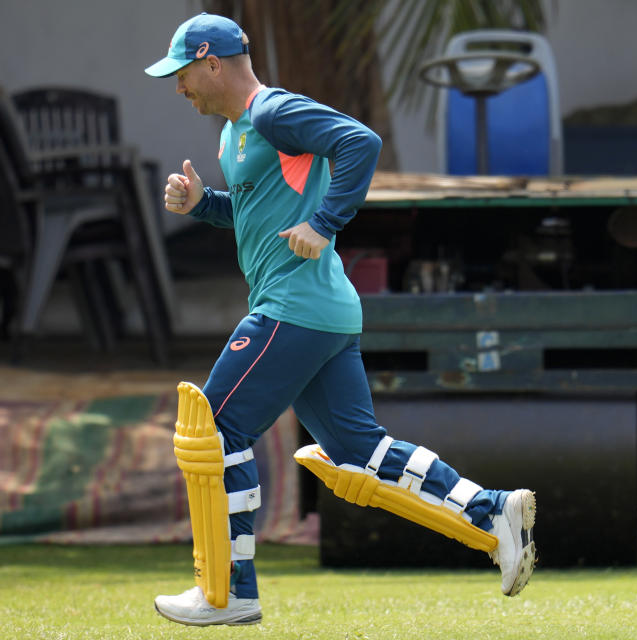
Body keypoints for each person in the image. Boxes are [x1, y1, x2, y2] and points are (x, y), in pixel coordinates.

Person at [144, 13, 536, 627]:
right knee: (359, 450)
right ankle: (491, 511)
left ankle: (228, 594)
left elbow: (361, 143)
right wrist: (203, 206)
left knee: (215, 430)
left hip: (293, 309)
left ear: (211, 62)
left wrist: (325, 223)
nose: (178, 88)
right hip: (322, 313)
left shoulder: (272, 112)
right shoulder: (234, 133)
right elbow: (257, 211)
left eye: (182, 74)